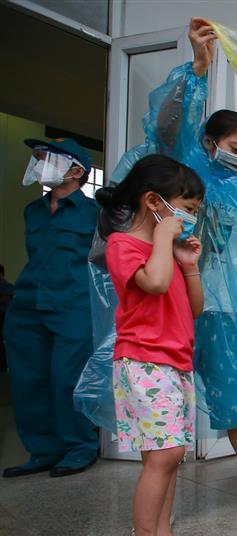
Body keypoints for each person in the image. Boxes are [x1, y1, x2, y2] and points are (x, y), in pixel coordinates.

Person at [107, 17, 237, 520]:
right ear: (211, 142)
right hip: (161, 299)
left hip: (206, 300)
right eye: (236, 149)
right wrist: (197, 68)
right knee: (162, 420)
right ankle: (154, 524)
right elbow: (167, 126)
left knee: (233, 390)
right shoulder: (184, 168)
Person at [101, 154, 216, 536]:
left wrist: (189, 265)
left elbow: (195, 307)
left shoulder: (165, 252)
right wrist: (165, 241)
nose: (189, 218)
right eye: (185, 208)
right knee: (163, 454)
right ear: (154, 202)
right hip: (144, 361)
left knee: (170, 455)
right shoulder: (123, 245)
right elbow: (152, 283)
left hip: (175, 362)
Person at [3, 138, 100, 478]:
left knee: (67, 379)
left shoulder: (95, 213)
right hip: (27, 304)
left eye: (46, 158)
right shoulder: (34, 210)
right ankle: (43, 450)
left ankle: (80, 447)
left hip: (72, 305)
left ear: (76, 171)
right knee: (29, 380)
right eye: (38, 157)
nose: (39, 162)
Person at [0, 265, 13, 372]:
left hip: (3, 316)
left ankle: (3, 367)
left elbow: (5, 300)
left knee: (3, 343)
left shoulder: (7, 286)